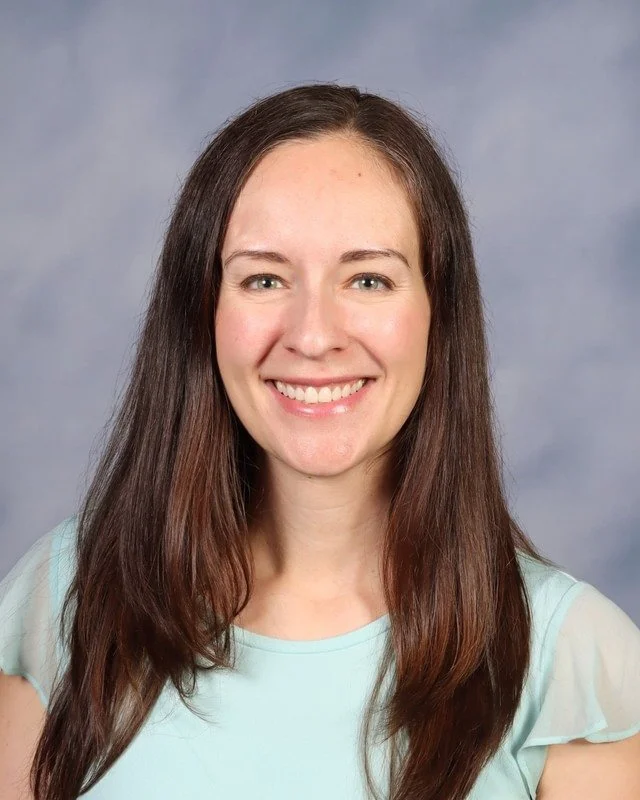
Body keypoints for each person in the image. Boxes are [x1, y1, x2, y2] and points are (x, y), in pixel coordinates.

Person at [1, 83, 639, 800]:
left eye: (368, 279)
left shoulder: (571, 662)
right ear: (201, 313)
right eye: (264, 278)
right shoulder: (72, 598)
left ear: (439, 314)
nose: (312, 336)